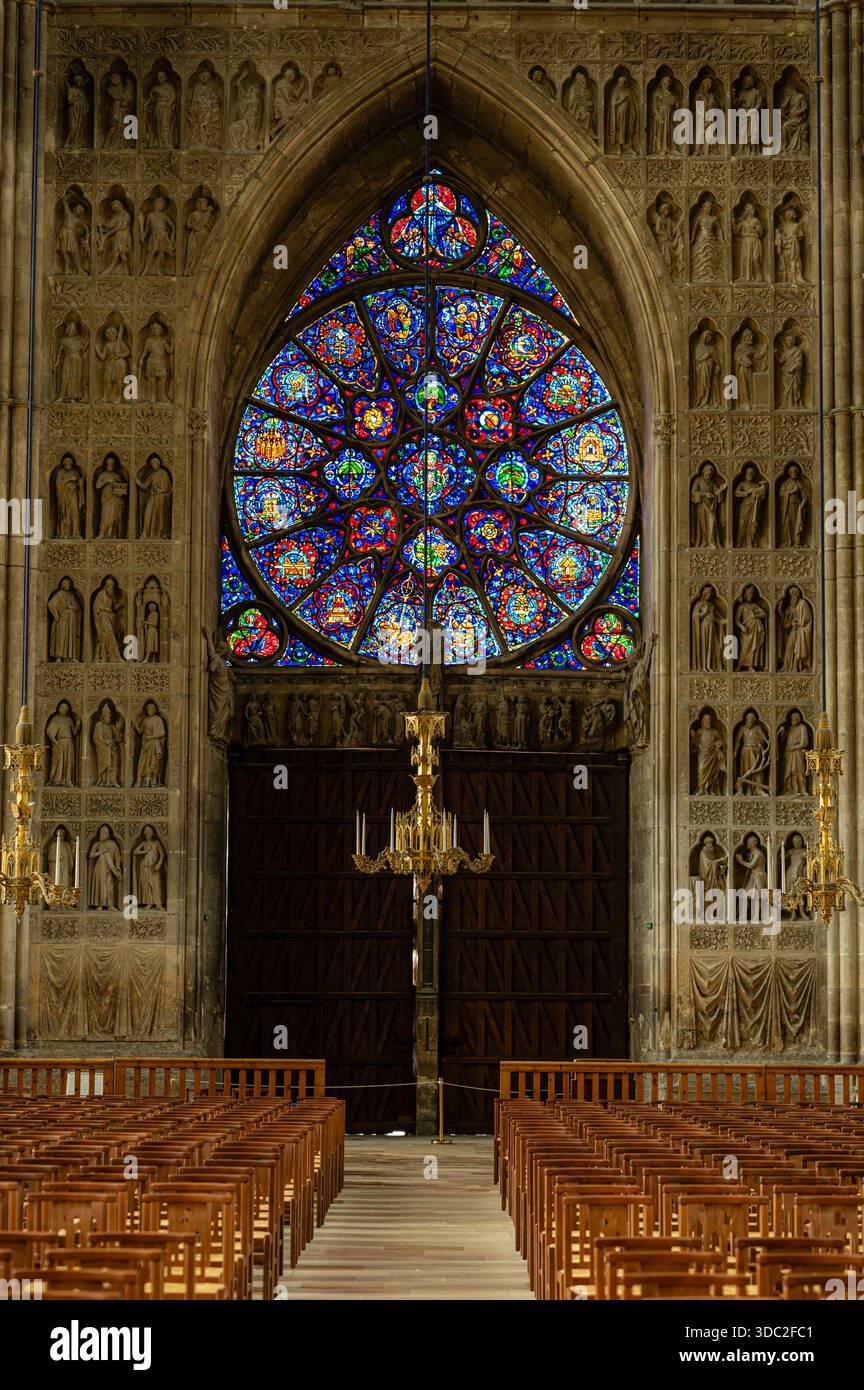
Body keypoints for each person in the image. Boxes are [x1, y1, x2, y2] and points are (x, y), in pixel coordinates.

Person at [89, 825, 121, 909]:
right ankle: (100, 904)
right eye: (100, 833)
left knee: (110, 886)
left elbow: (117, 856)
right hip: (99, 867)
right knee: (100, 885)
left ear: (107, 834)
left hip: (110, 868)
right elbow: (91, 855)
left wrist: (118, 867)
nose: (101, 835)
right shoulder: (97, 844)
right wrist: (101, 852)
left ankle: (110, 905)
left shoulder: (113, 844)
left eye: (103, 833)